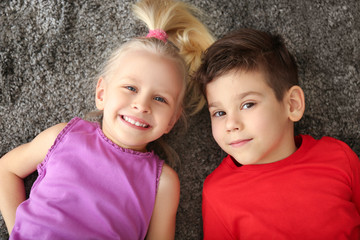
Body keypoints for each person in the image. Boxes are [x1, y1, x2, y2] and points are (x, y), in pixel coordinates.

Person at [0, 0, 214, 239]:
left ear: (172, 121)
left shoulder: (163, 182)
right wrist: (17, 228)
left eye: (160, 99)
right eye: (131, 88)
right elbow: (6, 169)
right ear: (102, 94)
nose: (142, 105)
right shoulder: (62, 136)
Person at [195, 28, 360, 239]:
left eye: (247, 105)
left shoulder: (339, 157)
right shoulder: (217, 193)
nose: (231, 124)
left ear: (292, 104)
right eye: (219, 112)